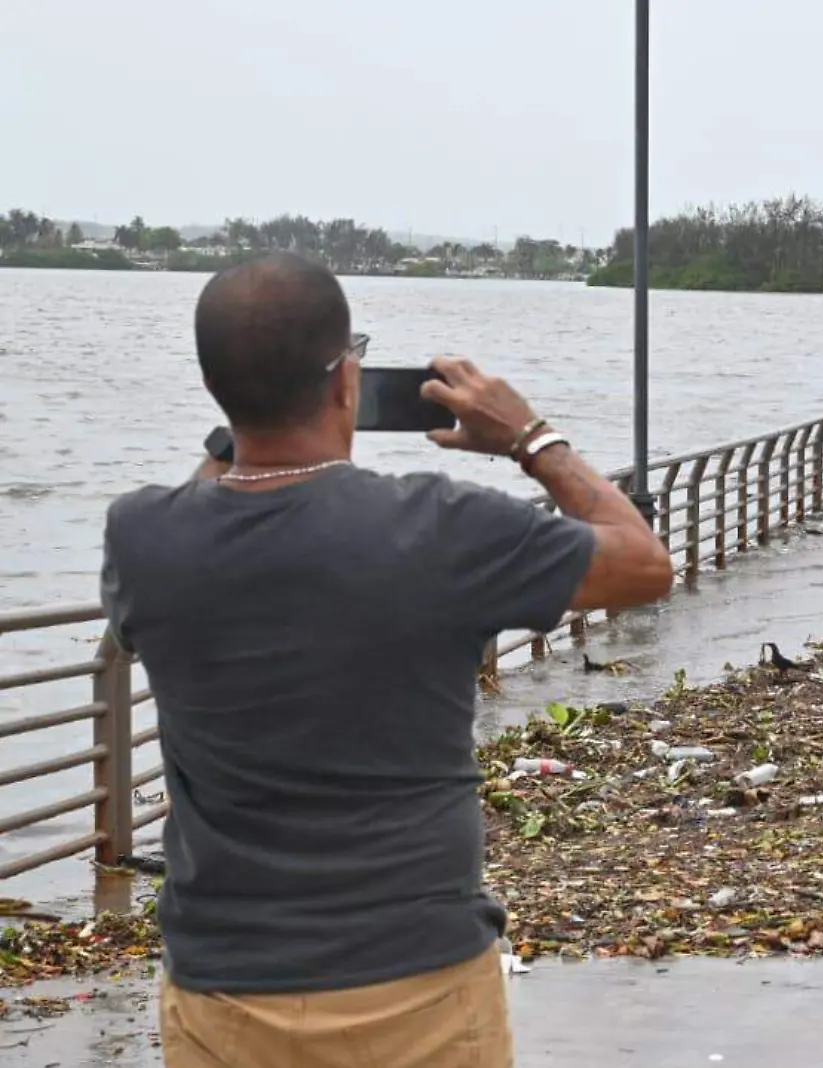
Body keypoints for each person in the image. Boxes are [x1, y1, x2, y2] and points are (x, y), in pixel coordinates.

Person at [100, 253, 673, 1067]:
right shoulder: (443, 528)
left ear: (213, 386)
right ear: (346, 382)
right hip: (420, 986)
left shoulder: (142, 537)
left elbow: (202, 517)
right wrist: (532, 439)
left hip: (222, 991)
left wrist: (238, 433)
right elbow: (643, 563)